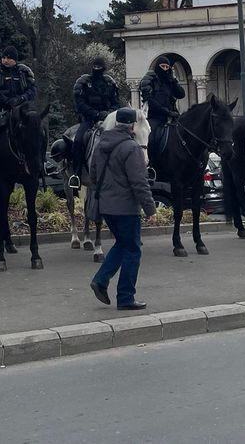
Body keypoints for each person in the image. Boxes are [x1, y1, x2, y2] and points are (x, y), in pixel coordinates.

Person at [88, 107, 156, 311]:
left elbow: (93, 175)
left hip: (106, 207)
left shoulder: (100, 145)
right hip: (126, 208)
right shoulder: (132, 148)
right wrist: (150, 208)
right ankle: (126, 297)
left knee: (123, 244)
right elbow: (139, 182)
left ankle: (100, 280)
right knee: (133, 250)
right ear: (133, 126)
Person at [70, 56, 120, 186]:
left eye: (100, 67)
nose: (97, 69)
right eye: (95, 67)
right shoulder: (83, 83)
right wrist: (96, 114)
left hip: (108, 118)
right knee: (78, 140)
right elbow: (80, 104)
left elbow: (116, 103)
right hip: (89, 119)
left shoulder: (110, 83)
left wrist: (109, 113)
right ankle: (76, 174)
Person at [0, 45, 37, 153]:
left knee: (36, 125)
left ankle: (40, 157)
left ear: (15, 59)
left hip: (20, 107)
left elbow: (32, 90)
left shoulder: (24, 72)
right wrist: (6, 100)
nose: (5, 60)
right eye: (4, 57)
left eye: (9, 58)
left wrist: (21, 98)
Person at [140, 55, 184, 164]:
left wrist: (173, 81)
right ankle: (151, 164)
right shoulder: (150, 80)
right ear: (157, 66)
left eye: (167, 67)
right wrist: (167, 112)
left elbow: (181, 94)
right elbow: (150, 101)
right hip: (155, 117)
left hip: (172, 116)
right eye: (162, 66)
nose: (164, 69)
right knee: (151, 139)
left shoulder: (169, 80)